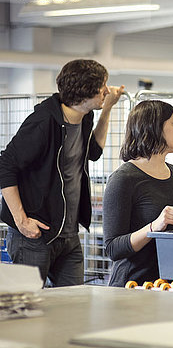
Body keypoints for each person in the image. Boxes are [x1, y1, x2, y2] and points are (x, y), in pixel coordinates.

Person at [0, 59, 124, 287]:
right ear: (85, 91)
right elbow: (5, 165)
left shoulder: (85, 117)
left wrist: (107, 109)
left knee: (72, 310)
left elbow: (93, 151)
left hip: (68, 236)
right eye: (102, 86)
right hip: (35, 236)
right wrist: (21, 221)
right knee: (28, 308)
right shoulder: (43, 122)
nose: (107, 90)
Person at [103, 100, 173, 287]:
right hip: (134, 288)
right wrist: (154, 227)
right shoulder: (124, 178)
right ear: (154, 127)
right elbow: (113, 248)